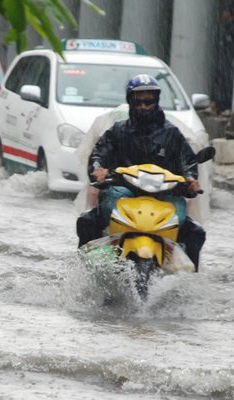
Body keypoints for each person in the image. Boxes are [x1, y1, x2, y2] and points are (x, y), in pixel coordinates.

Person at [80, 74, 206, 271]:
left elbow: (187, 161)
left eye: (148, 102)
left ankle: (191, 278)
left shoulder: (172, 133)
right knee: (86, 221)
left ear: (156, 101)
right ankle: (84, 269)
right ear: (130, 102)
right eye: (138, 102)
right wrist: (98, 170)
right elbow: (99, 153)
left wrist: (190, 180)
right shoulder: (117, 131)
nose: (144, 107)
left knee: (196, 232)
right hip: (123, 190)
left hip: (165, 194)